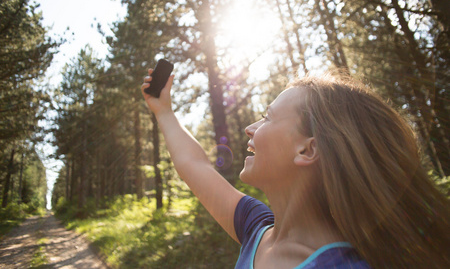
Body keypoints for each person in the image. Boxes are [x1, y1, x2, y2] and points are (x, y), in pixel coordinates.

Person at [141, 69, 449, 268]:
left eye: (267, 117)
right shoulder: (256, 229)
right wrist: (163, 111)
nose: (250, 128)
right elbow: (195, 165)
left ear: (308, 149)